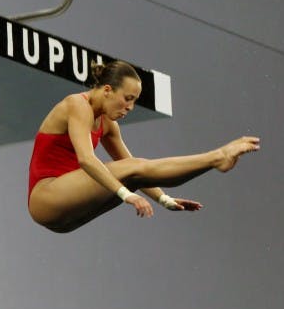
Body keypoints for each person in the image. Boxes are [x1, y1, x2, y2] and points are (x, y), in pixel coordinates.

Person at [27, 60, 259, 233]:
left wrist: (165, 200)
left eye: (135, 101)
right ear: (107, 90)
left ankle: (215, 160)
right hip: (46, 198)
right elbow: (87, 160)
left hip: (65, 219)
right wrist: (126, 195)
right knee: (131, 174)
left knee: (135, 174)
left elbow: (139, 170)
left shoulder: (108, 124)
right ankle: (217, 157)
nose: (130, 107)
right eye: (127, 98)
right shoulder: (77, 105)